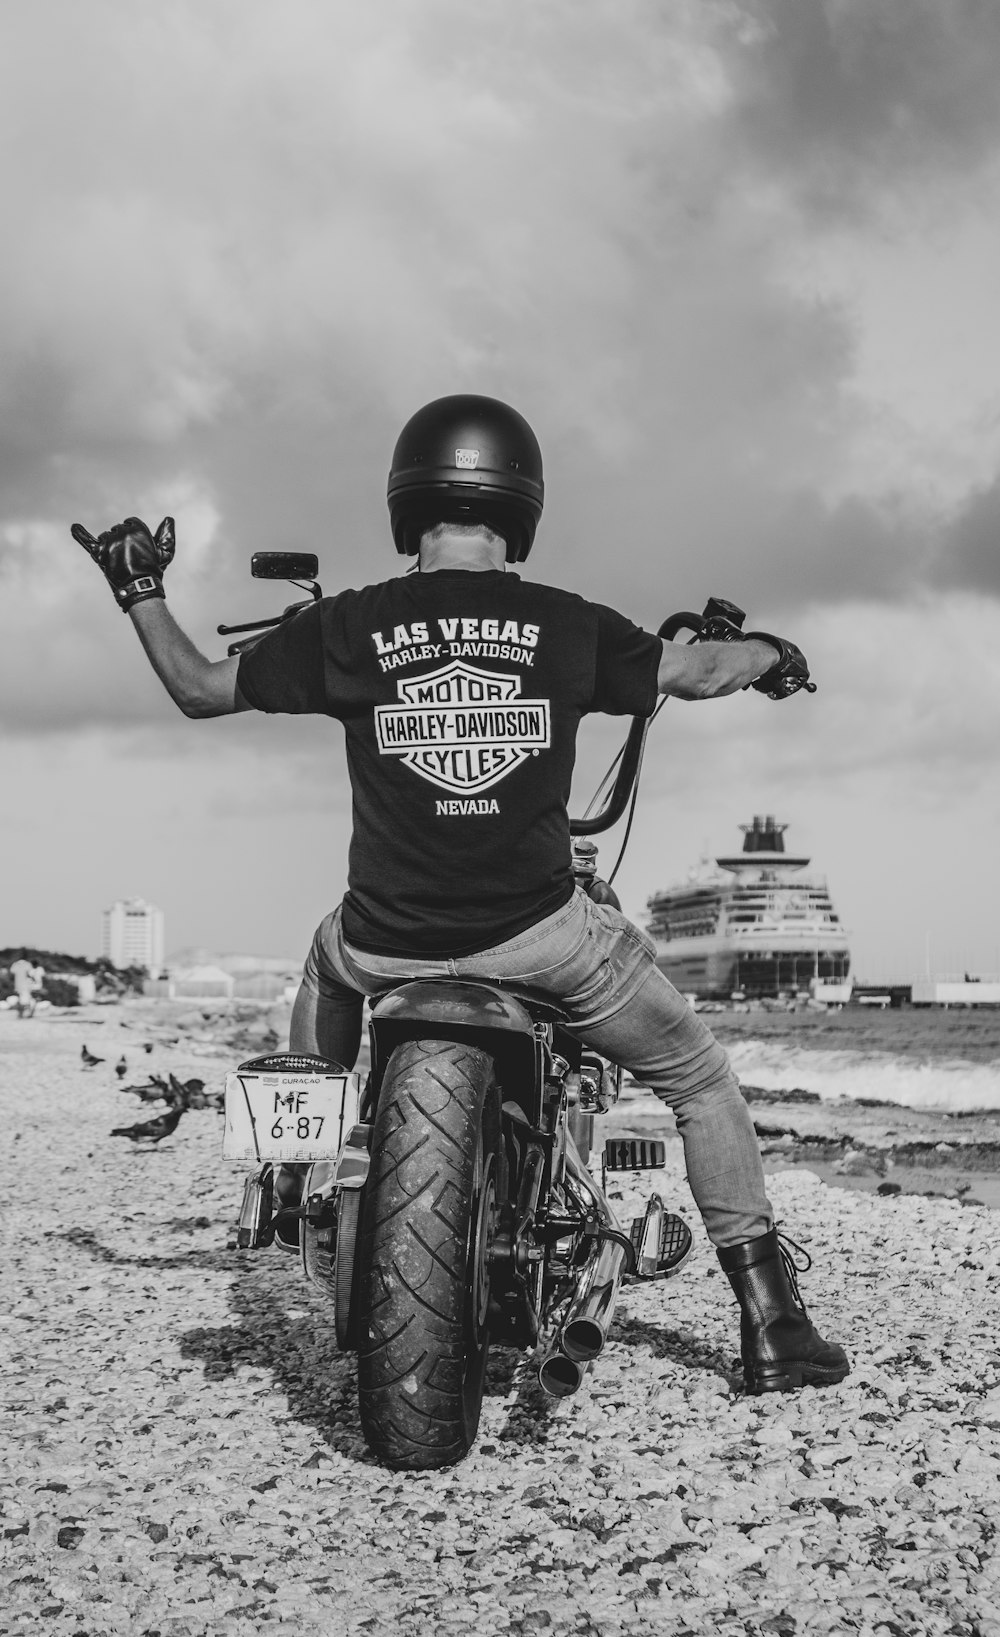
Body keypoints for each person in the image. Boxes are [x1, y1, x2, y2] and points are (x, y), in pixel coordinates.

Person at [71, 393, 848, 1395]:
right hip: (537, 937)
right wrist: (774, 657)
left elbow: (196, 685)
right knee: (697, 1077)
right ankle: (772, 1319)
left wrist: (139, 589)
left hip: (384, 940)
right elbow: (696, 670)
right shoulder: (567, 625)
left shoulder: (346, 624)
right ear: (519, 504)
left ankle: (290, 1169)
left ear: (410, 504)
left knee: (323, 950)